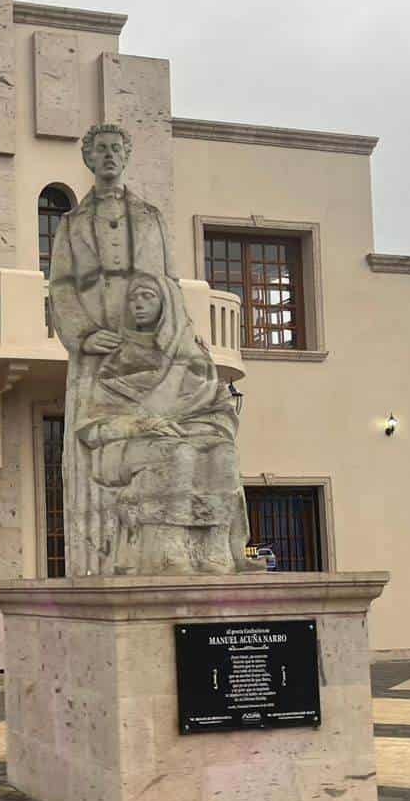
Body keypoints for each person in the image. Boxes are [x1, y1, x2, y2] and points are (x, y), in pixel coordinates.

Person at [48, 124, 258, 576]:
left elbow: (168, 281)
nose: (108, 156)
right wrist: (83, 333)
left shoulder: (150, 215)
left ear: (126, 156)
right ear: (88, 157)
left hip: (158, 338)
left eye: (115, 149)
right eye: (100, 149)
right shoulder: (71, 224)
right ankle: (113, 556)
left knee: (209, 450)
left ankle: (209, 547)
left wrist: (182, 332)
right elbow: (61, 287)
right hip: (101, 345)